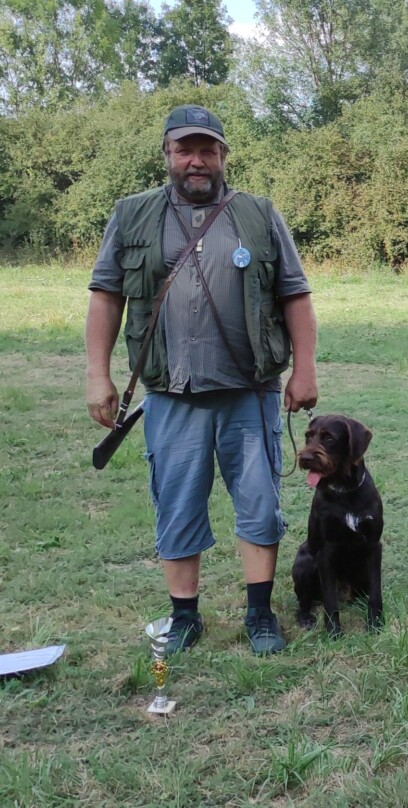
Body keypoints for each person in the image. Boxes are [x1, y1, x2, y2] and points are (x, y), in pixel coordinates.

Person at [85, 104, 318, 655]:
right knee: (177, 504)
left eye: (207, 150)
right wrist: (98, 375)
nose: (196, 161)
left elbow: (295, 294)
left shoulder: (259, 214)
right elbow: (105, 296)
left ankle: (260, 614)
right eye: (185, 150)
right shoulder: (133, 213)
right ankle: (184, 615)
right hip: (172, 393)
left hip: (250, 390)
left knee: (260, 504)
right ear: (166, 154)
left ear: (222, 156)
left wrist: (305, 368)